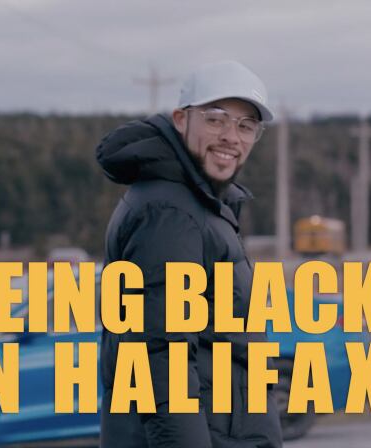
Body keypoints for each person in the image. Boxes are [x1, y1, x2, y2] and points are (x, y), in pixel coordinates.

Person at [96, 60, 282, 448]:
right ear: (181, 120)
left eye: (246, 126)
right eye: (216, 120)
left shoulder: (200, 206)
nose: (232, 136)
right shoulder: (170, 213)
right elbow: (163, 359)